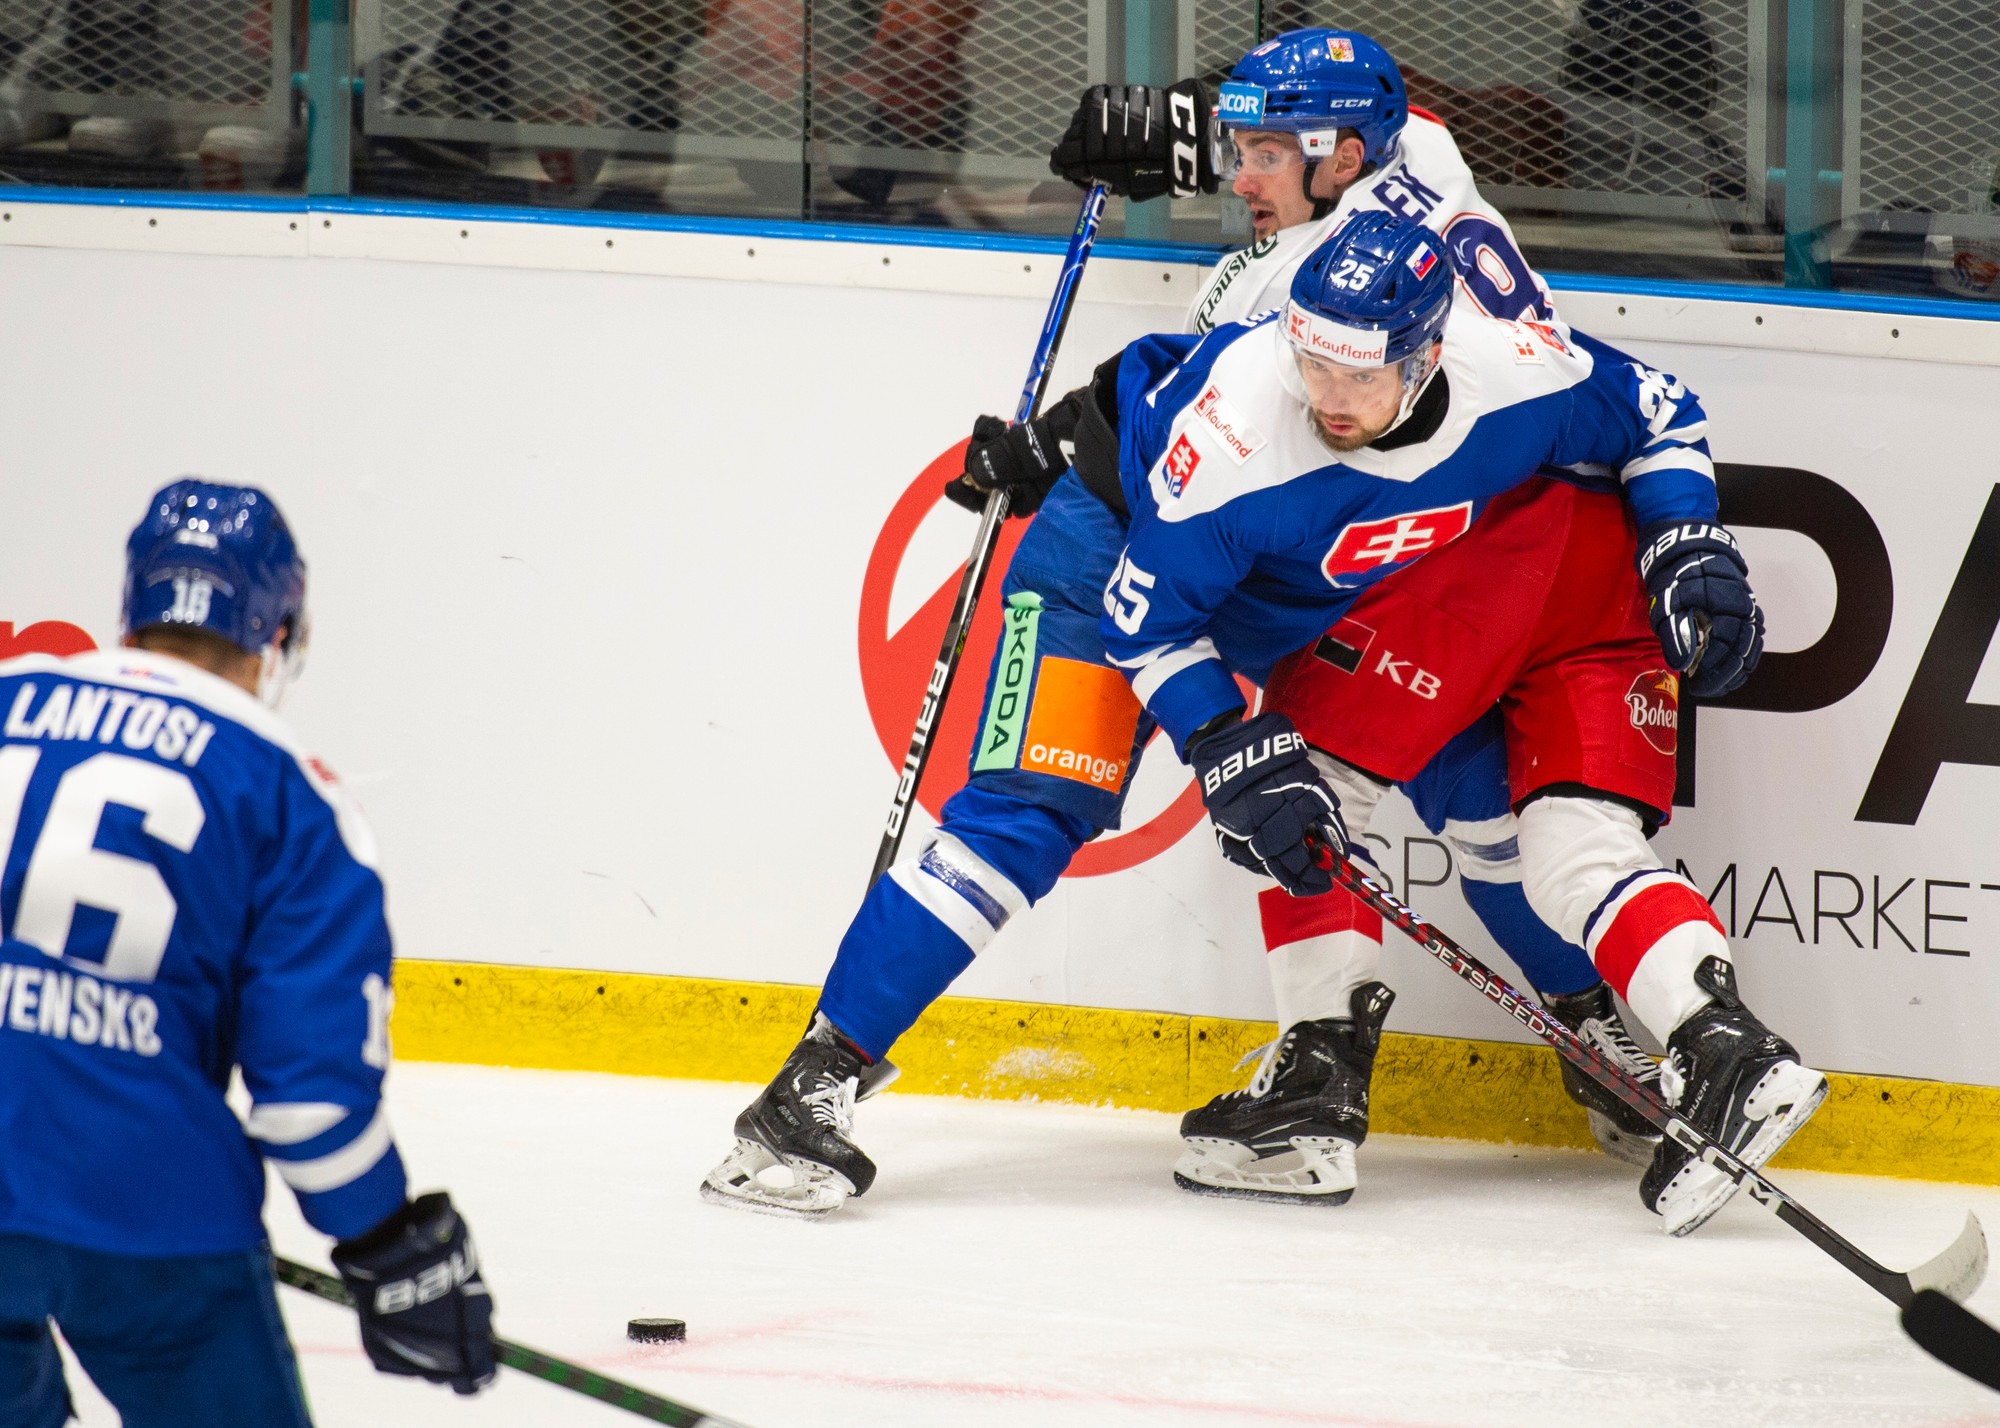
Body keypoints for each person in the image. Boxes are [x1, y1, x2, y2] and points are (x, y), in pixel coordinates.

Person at [706, 211, 1818, 1239]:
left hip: (1315, 592)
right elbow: (1150, 619)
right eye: (1310, 358)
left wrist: (1683, 540)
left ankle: (1583, 1050)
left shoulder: (1509, 377)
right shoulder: (1239, 433)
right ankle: (811, 1085)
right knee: (1028, 815)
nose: (1327, 392)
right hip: (1113, 564)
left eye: (1359, 369)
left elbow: (1656, 407)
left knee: (1489, 802)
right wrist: (1219, 739)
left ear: (1429, 355)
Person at [1021, 28, 1664, 1175]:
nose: (1237, 175)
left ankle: (1322, 1082)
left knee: (1306, 782)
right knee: (1480, 815)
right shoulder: (1421, 151)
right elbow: (1331, 123)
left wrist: (1074, 433)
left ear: (1337, 154)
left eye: (1262, 151)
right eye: (1233, 148)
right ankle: (1607, 1042)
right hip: (1496, 518)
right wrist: (1180, 124)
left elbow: (1218, 416)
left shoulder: (1292, 307)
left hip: (1420, 537)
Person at [0, 480, 495, 1427]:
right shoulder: (288, 794)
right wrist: (388, 1246)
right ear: (282, 633)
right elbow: (310, 1104)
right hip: (146, 1206)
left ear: (129, 609)